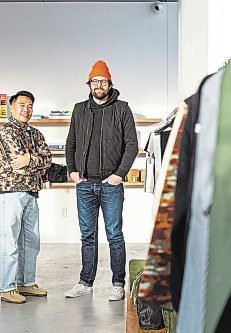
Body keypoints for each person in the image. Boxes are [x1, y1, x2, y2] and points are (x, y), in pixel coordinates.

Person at [65, 60, 138, 301]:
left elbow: (132, 145)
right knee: (87, 235)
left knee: (114, 234)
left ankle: (118, 282)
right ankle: (86, 282)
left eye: (103, 81)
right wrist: (72, 172)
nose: (99, 85)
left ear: (109, 84)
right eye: (95, 81)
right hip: (84, 184)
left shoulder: (122, 108)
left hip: (110, 184)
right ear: (89, 84)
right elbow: (71, 143)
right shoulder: (79, 109)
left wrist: (119, 174)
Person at [0, 90, 52, 304]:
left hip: (32, 192)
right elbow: (17, 163)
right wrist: (33, 160)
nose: (26, 109)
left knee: (31, 241)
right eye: (22, 105)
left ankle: (26, 283)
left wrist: (31, 159)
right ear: (12, 106)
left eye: (30, 105)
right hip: (11, 191)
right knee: (10, 240)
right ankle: (7, 287)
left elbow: (48, 159)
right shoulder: (5, 131)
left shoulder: (36, 133)